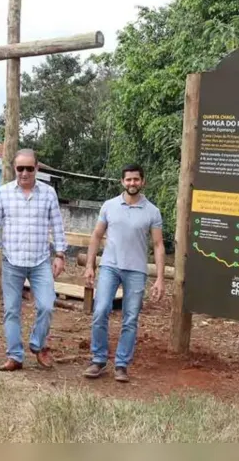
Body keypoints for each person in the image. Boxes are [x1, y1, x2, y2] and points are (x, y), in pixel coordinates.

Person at [82, 163, 165, 383]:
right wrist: (90, 265)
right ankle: (98, 359)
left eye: (136, 179)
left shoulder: (152, 211)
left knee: (130, 318)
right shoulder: (109, 206)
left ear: (143, 181)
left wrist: (159, 278)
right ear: (122, 182)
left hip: (137, 270)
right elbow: (97, 236)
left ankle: (121, 364)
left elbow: (157, 245)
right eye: (128, 179)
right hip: (110, 266)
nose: (132, 183)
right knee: (100, 310)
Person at [0, 149, 67, 371]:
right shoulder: (3, 193)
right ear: (14, 169)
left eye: (29, 168)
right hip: (12, 260)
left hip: (40, 261)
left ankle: (37, 344)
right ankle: (15, 356)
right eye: (20, 168)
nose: (24, 173)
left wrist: (60, 255)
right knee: (11, 309)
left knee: (47, 306)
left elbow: (57, 226)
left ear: (37, 169)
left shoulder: (49, 193)